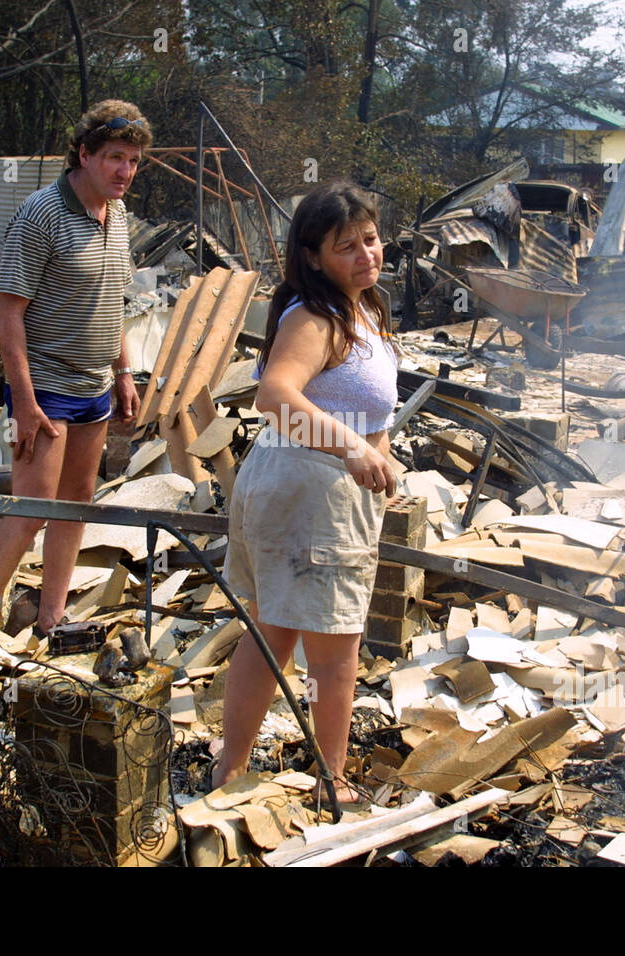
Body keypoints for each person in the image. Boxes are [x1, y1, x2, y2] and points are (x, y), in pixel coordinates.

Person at [212, 181, 399, 806]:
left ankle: (230, 770)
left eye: (370, 240)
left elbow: (369, 411)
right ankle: (332, 780)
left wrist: (381, 457)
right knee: (331, 652)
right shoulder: (315, 316)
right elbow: (274, 399)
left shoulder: (365, 310)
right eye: (346, 247)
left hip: (315, 492)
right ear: (313, 257)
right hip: (308, 494)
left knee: (275, 635)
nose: (366, 255)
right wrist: (353, 450)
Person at [0, 101, 152, 637]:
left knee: (75, 506)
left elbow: (113, 301)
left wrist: (123, 373)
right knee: (29, 510)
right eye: (115, 157)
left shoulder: (118, 219)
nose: (124, 172)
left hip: (93, 386)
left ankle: (52, 618)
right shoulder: (42, 213)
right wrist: (23, 402)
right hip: (44, 387)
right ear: (85, 154)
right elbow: (8, 312)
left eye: (133, 161)